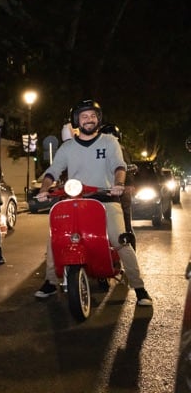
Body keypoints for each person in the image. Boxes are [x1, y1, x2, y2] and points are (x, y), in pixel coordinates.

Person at [34, 99, 152, 306]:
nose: (89, 120)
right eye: (84, 116)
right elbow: (53, 171)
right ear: (76, 121)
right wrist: (44, 189)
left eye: (92, 116)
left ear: (98, 119)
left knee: (120, 240)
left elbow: (119, 166)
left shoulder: (109, 142)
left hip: (106, 199)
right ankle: (51, 282)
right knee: (55, 238)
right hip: (76, 201)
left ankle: (140, 288)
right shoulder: (67, 147)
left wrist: (118, 184)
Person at [100, 122, 136, 250]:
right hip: (100, 191)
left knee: (125, 226)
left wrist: (128, 184)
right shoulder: (95, 151)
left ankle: (129, 253)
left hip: (120, 191)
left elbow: (126, 168)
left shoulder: (121, 149)